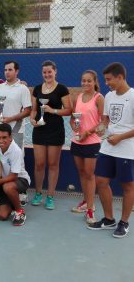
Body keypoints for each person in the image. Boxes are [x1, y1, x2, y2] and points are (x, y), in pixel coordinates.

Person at [87, 62, 134, 238]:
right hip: (108, 147)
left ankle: (124, 222)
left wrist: (120, 137)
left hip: (127, 149)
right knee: (100, 181)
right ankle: (109, 219)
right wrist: (101, 128)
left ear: (120, 77)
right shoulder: (109, 96)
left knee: (127, 186)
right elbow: (106, 121)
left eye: (109, 79)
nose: (106, 83)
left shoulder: (133, 96)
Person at [30, 60, 72, 210]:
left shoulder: (62, 89)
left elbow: (68, 110)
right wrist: (32, 119)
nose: (47, 74)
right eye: (44, 72)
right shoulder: (36, 89)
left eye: (50, 71)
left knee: (53, 165)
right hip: (40, 130)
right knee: (39, 164)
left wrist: (52, 110)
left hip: (55, 131)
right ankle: (38, 193)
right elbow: (34, 109)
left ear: (55, 72)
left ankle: (50, 196)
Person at [70, 70, 104, 224]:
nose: (85, 83)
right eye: (83, 80)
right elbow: (73, 118)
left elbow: (103, 121)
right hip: (77, 141)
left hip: (92, 142)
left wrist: (88, 133)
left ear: (95, 82)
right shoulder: (78, 97)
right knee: (82, 173)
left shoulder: (99, 98)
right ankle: (85, 202)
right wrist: (74, 127)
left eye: (89, 81)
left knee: (90, 175)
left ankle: (91, 210)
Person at [0, 123, 31, 226]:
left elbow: (14, 176)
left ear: (10, 137)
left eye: (4, 137)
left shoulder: (16, 151)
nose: (1, 141)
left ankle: (19, 212)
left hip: (19, 180)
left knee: (7, 187)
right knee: (2, 216)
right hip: (4, 182)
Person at [0, 61, 32, 149]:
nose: (7, 72)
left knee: (16, 159)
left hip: (16, 130)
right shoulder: (0, 87)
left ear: (16, 71)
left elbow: (27, 111)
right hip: (0, 130)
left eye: (10, 69)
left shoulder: (23, 89)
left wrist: (11, 119)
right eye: (5, 70)